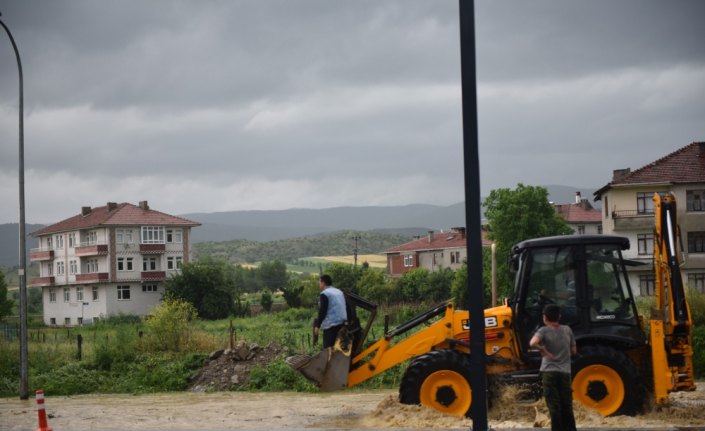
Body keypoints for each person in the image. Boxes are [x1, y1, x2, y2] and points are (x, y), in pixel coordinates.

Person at [529, 304, 577, 431]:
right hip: (565, 372)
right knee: (567, 404)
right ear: (559, 316)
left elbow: (532, 343)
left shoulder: (543, 331)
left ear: (545, 317)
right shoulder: (567, 330)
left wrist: (543, 349)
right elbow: (573, 351)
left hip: (549, 372)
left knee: (554, 406)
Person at [313, 274, 347, 349]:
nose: (319, 285)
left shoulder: (325, 294)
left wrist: (318, 326)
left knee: (328, 349)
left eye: (319, 282)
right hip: (342, 324)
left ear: (323, 283)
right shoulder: (339, 292)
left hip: (331, 326)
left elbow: (322, 311)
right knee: (338, 349)